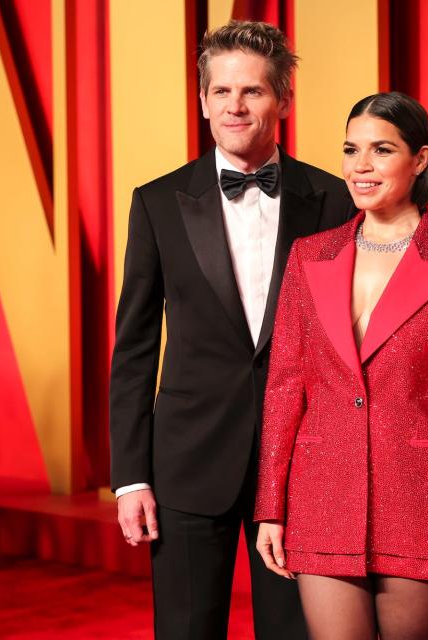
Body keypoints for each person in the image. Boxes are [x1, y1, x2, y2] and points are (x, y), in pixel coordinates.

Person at [109, 21, 355, 639]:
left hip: (302, 467)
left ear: (284, 100)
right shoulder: (158, 203)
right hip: (187, 464)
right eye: (221, 92)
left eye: (252, 92)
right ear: (202, 102)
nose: (235, 107)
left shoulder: (334, 201)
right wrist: (131, 476)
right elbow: (135, 348)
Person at [253, 91, 428, 639]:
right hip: (320, 493)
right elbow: (284, 388)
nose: (360, 167)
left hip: (422, 499)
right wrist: (270, 506)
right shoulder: (309, 255)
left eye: (381, 150)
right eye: (351, 149)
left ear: (420, 160)